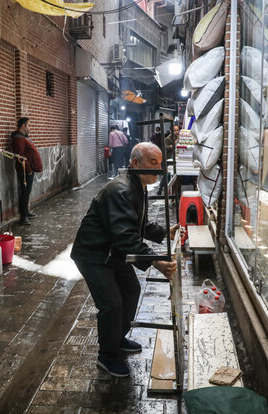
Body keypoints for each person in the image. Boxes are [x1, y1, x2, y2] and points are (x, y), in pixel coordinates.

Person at [70, 142, 178, 377]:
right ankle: (107, 356)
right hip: (95, 256)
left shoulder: (137, 185)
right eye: (153, 163)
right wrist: (156, 261)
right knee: (111, 305)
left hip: (113, 253)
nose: (158, 168)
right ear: (135, 163)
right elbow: (125, 236)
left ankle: (117, 338)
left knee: (131, 291)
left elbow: (136, 224)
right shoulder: (121, 190)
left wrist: (163, 232)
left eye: (160, 163)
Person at [11, 117, 43, 225]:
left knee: (27, 192)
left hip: (28, 169)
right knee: (24, 193)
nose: (30, 128)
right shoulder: (18, 138)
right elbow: (20, 157)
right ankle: (23, 217)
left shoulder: (24, 137)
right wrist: (28, 170)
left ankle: (26, 212)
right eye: (29, 125)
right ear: (23, 126)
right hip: (25, 170)